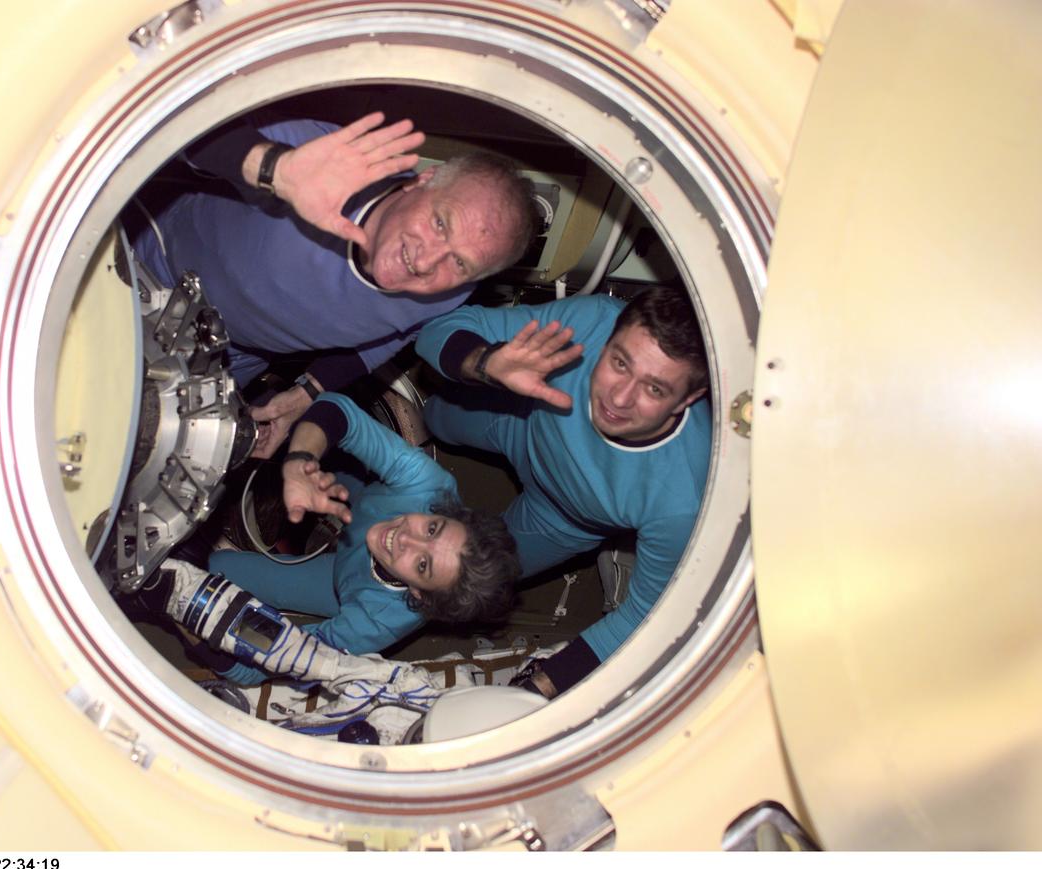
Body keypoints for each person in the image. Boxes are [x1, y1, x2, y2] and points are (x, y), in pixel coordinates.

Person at [123, 110, 538, 458]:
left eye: (460, 262)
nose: (427, 261)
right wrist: (274, 168)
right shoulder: (335, 168)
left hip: (221, 360)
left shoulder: (451, 291)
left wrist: (306, 392)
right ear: (422, 181)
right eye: (440, 223)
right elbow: (171, 123)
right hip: (144, 272)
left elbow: (387, 339)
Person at [414, 286, 711, 698]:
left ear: (691, 397)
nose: (620, 398)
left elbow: (646, 616)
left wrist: (538, 690)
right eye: (619, 363)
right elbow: (440, 330)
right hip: (520, 417)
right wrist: (486, 363)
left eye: (655, 389)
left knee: (451, 584)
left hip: (562, 519)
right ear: (608, 338)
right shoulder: (592, 320)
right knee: (433, 416)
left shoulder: (682, 499)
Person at [194, 392, 520, 687]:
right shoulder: (429, 487)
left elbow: (287, 659)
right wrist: (300, 460)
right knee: (309, 436)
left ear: (419, 595)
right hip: (363, 498)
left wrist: (202, 633)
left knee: (213, 567)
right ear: (444, 511)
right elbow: (340, 412)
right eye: (432, 529)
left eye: (423, 564)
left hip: (340, 583)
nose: (407, 537)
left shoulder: (377, 619)